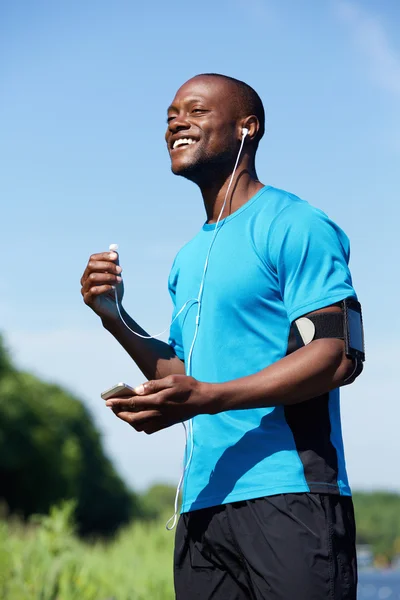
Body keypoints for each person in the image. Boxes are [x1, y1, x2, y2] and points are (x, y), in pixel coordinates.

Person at [80, 73, 362, 599]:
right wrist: (113, 316)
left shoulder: (295, 223)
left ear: (246, 128)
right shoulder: (187, 259)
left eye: (194, 111)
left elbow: (336, 355)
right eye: (170, 116)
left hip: (287, 493)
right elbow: (184, 377)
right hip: (202, 505)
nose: (176, 123)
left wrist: (209, 399)